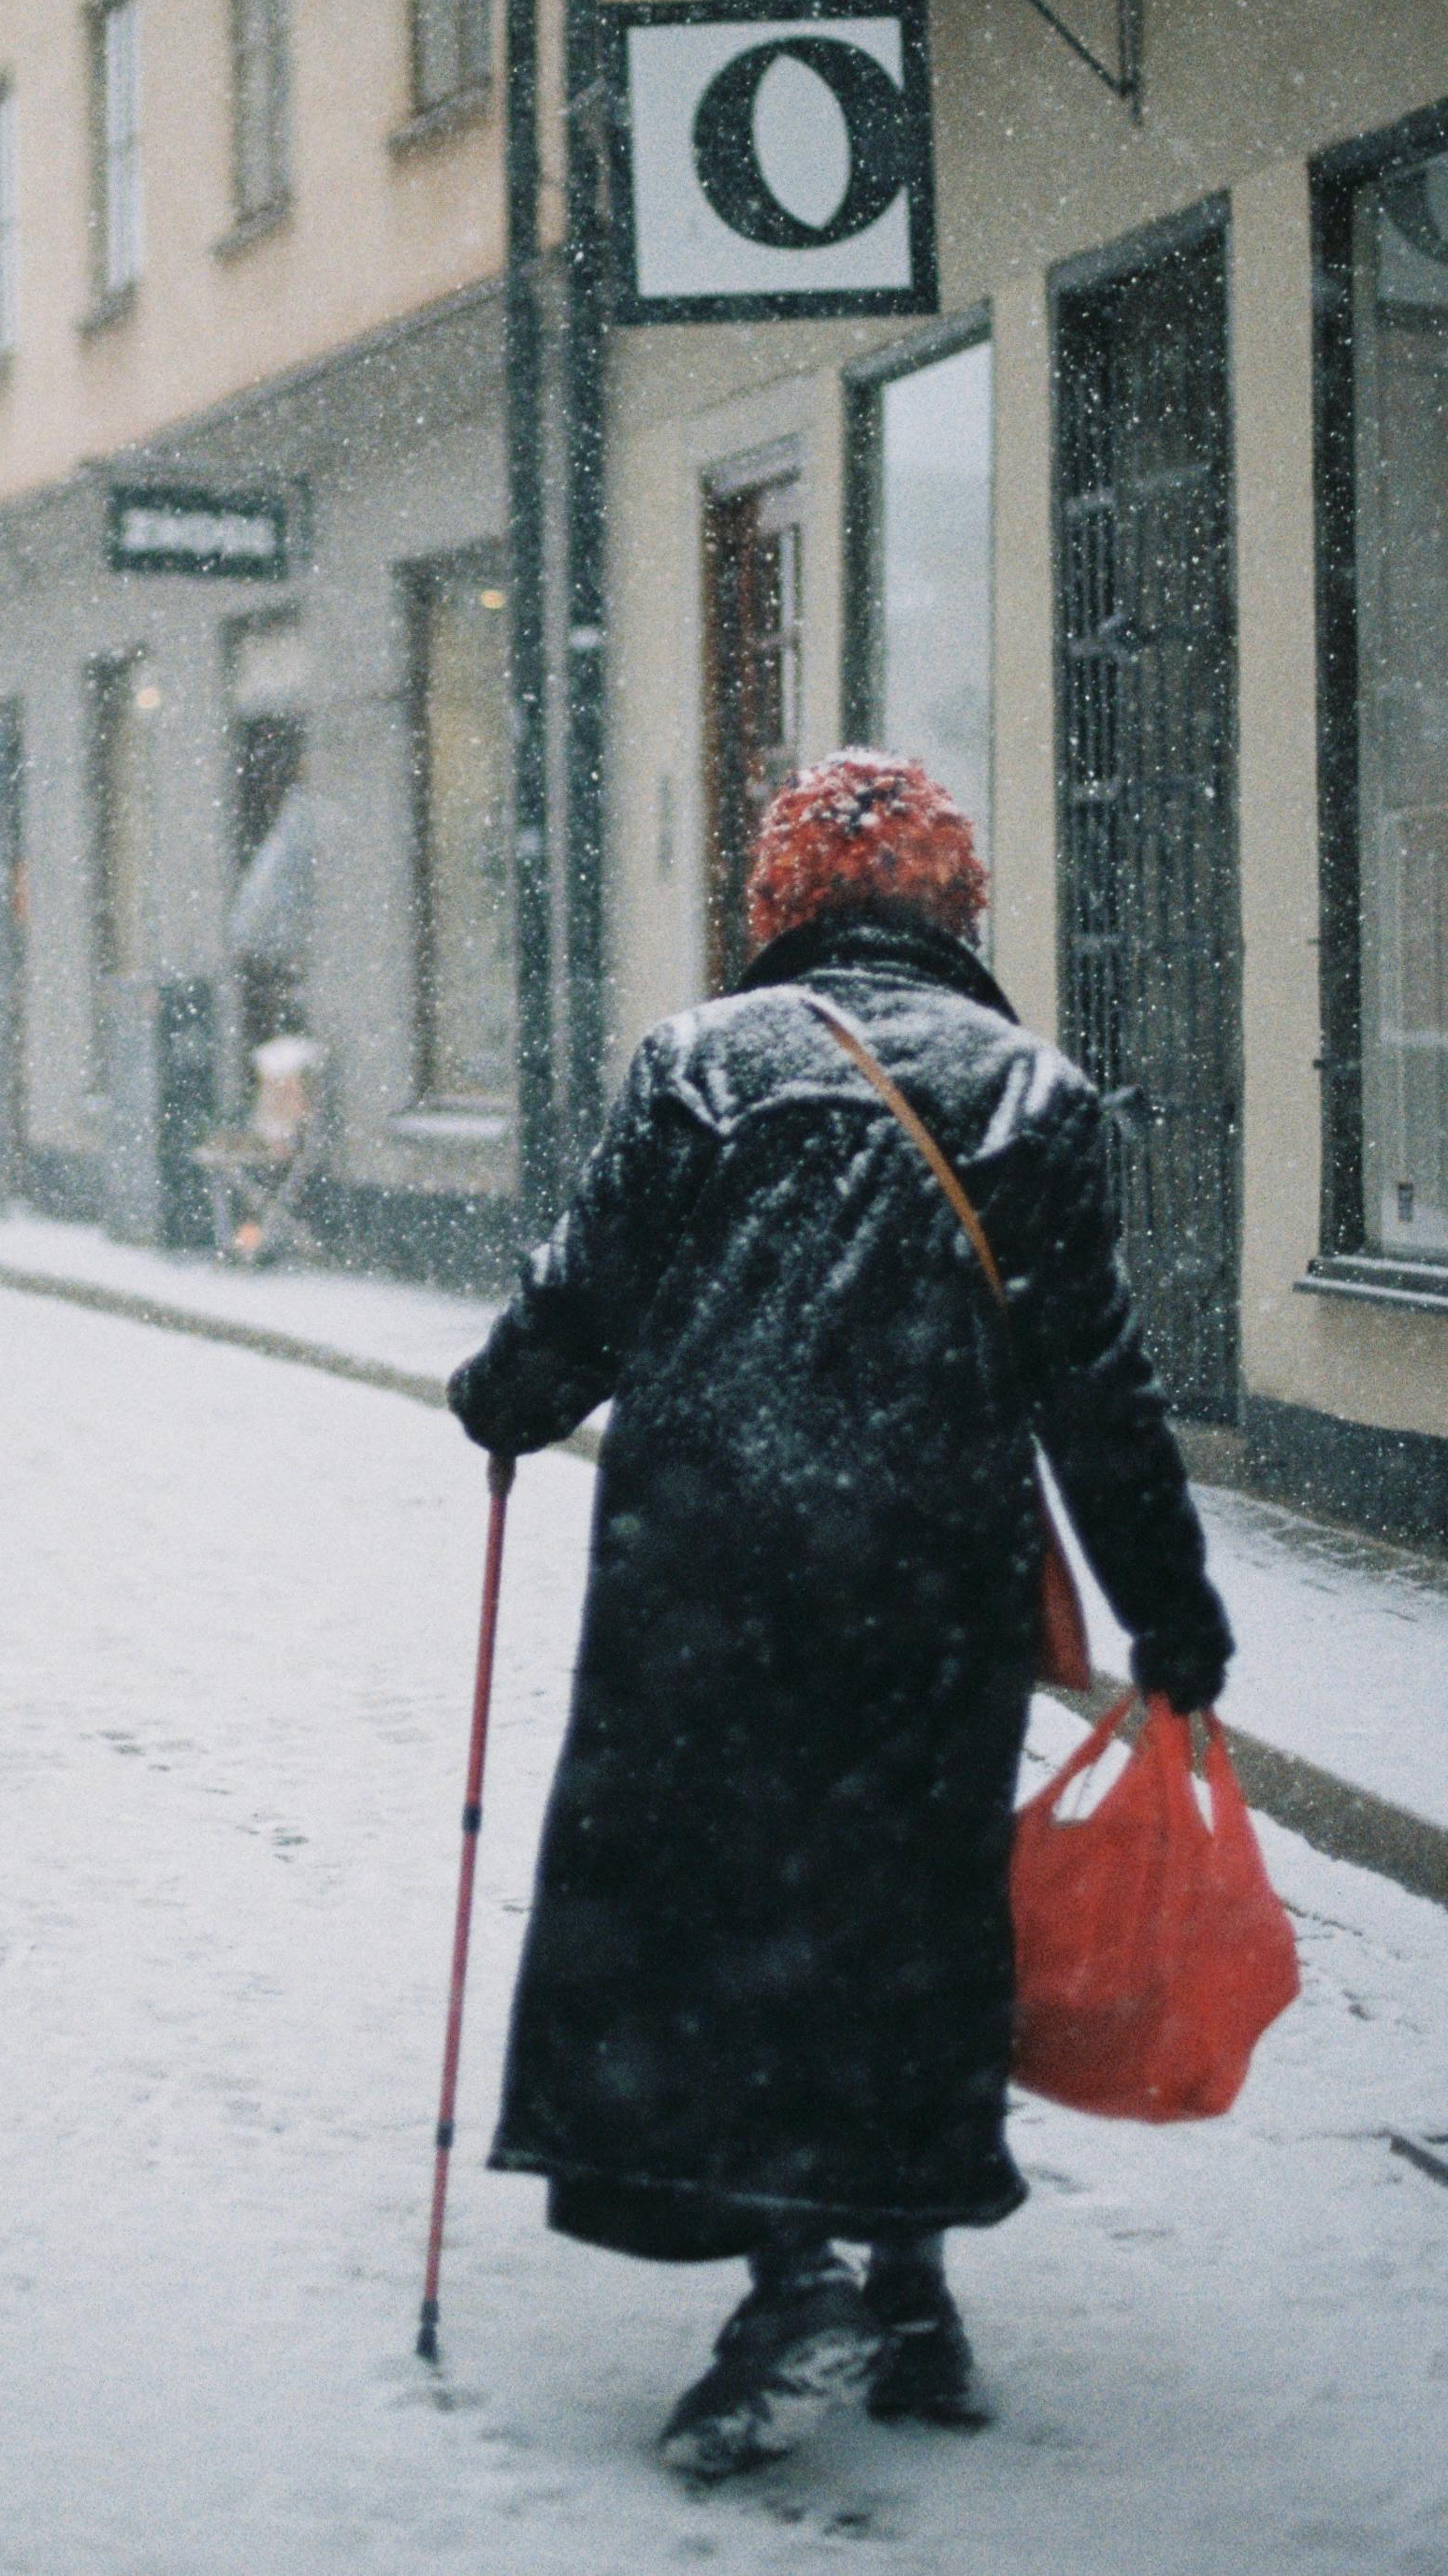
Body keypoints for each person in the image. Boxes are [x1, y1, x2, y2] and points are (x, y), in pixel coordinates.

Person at [445, 748, 1233, 2482]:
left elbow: (581, 1295)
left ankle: (786, 2269)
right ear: (956, 907)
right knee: (911, 1915)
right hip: (923, 1588)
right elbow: (1095, 1388)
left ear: (778, 904)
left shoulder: (699, 1064)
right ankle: (912, 2284)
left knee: (730, 1919)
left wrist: (497, 1399)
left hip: (703, 1581)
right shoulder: (1030, 1092)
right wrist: (1171, 1611)